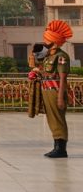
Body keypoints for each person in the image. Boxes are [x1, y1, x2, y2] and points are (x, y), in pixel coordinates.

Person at [31, 20, 73, 158]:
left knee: (58, 119)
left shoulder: (61, 56)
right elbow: (39, 65)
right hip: (47, 91)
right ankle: (56, 146)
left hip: (55, 92)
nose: (45, 41)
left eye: (47, 39)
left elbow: (62, 78)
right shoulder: (49, 56)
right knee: (52, 119)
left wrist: (61, 97)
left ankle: (61, 149)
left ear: (54, 41)